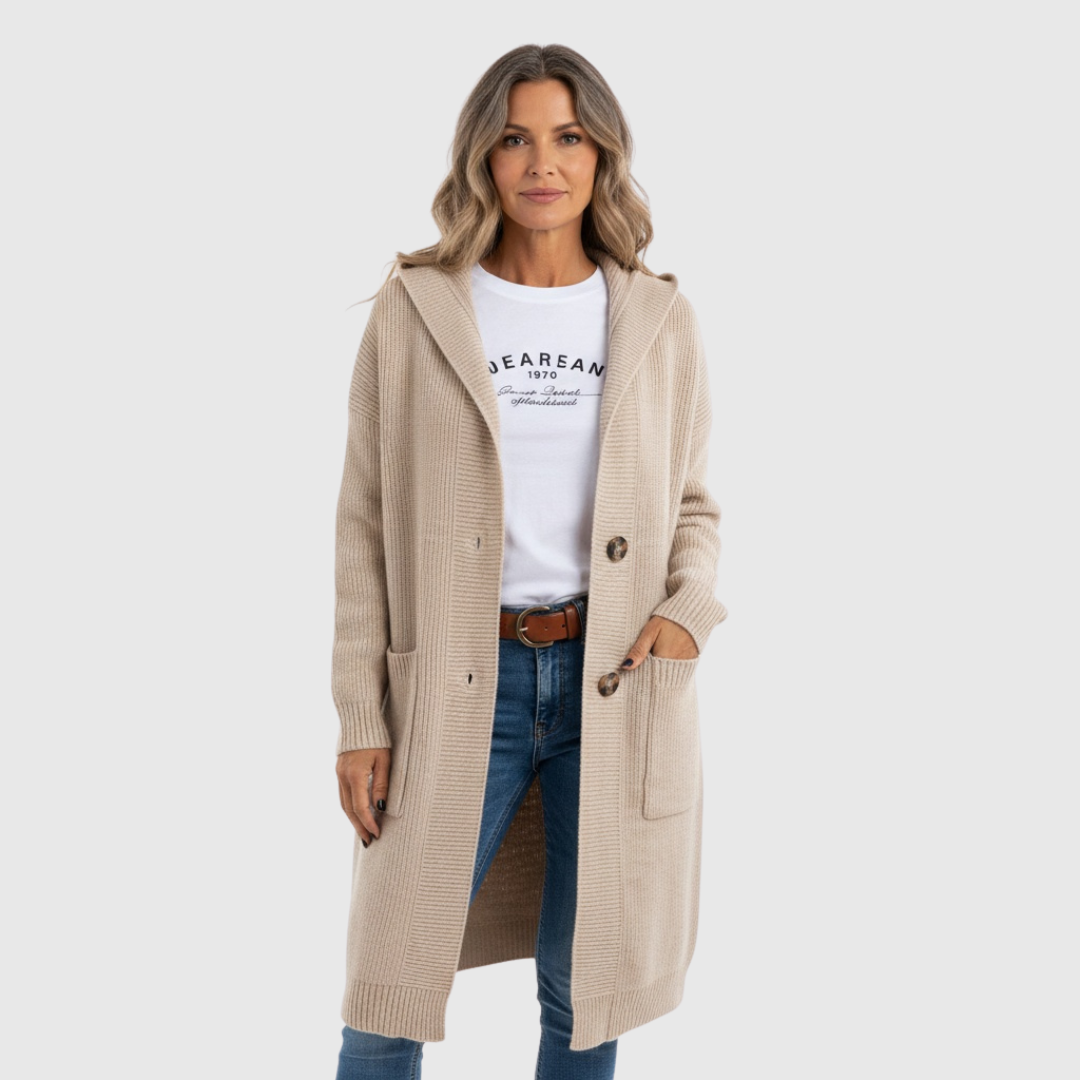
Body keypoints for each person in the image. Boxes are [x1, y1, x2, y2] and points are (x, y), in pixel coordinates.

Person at [330, 43, 728, 1080]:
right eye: (514, 138)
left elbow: (692, 501)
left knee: (582, 993)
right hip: (458, 684)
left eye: (568, 137)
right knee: (389, 989)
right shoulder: (420, 307)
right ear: (483, 157)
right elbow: (364, 523)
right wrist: (363, 716)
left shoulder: (656, 316)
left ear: (602, 156)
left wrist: (686, 612)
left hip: (615, 680)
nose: (542, 163)